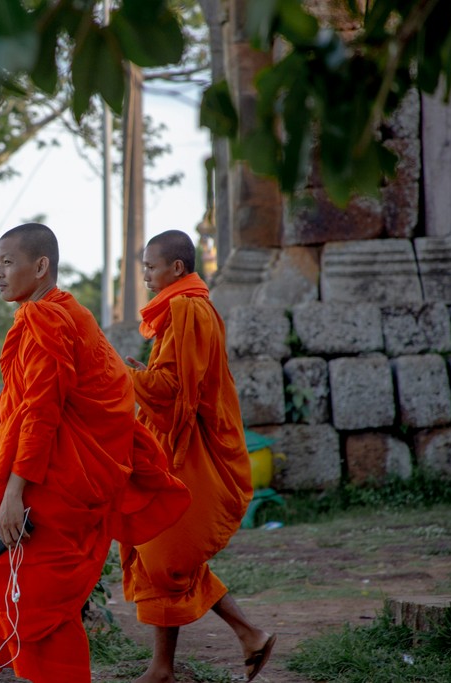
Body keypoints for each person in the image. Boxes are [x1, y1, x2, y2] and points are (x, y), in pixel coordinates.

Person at [0, 223, 191, 683]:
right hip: (58, 476)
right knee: (37, 598)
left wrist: (14, 489)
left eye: (8, 262)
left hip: (49, 482)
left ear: (41, 266)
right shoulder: (62, 313)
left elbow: (42, 411)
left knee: (36, 598)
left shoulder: (47, 318)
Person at [122, 230, 276, 683]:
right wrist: (141, 374)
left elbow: (172, 393)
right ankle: (164, 667)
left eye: (151, 267)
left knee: (164, 552)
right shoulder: (183, 309)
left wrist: (127, 376)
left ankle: (245, 633)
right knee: (163, 551)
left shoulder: (187, 309)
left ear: (177, 268)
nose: (146, 274)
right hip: (176, 445)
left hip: (190, 448)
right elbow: (173, 380)